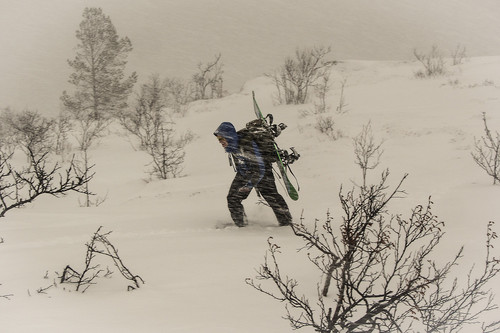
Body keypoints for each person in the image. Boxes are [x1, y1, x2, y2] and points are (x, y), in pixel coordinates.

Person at [214, 122, 292, 227]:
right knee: (233, 198)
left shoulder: (246, 144)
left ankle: (287, 224)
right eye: (219, 139)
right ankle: (241, 225)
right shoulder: (232, 145)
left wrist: (248, 186)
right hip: (245, 172)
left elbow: (260, 169)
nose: (220, 142)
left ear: (229, 136)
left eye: (221, 139)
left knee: (271, 197)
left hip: (262, 172)